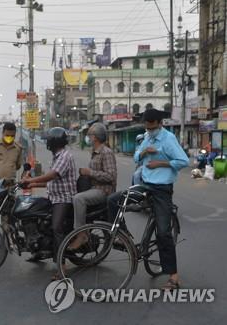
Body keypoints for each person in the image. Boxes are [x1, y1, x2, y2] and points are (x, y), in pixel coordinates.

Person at [107, 108, 189, 290]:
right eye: (147, 126)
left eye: (152, 127)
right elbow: (136, 156)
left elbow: (184, 161)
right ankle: (124, 237)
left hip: (161, 190)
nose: (149, 129)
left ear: (160, 124)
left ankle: (173, 277)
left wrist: (161, 162)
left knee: (163, 233)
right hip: (144, 185)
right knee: (113, 200)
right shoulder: (146, 137)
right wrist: (144, 153)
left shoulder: (168, 139)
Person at [20, 127, 76, 278]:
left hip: (64, 199)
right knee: (33, 215)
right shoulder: (57, 156)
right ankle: (37, 250)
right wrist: (33, 185)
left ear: (54, 142)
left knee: (56, 228)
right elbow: (52, 182)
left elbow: (52, 175)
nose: (47, 143)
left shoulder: (65, 156)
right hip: (54, 196)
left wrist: (31, 180)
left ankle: (62, 266)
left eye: (49, 141)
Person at [69, 122, 117, 249]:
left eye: (89, 135)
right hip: (93, 187)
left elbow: (111, 176)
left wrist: (90, 172)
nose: (88, 137)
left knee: (78, 199)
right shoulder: (95, 152)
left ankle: (81, 234)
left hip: (103, 191)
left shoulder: (106, 152)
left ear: (95, 137)